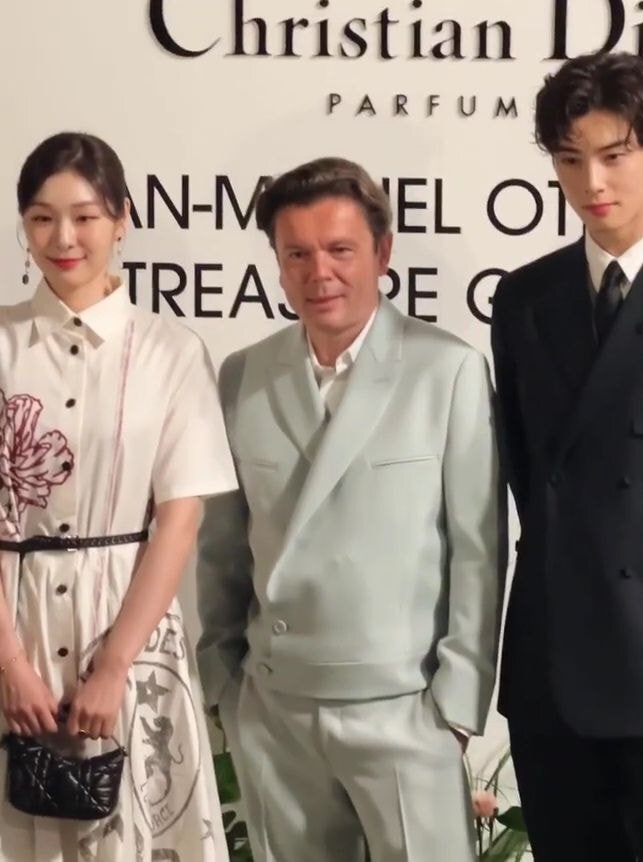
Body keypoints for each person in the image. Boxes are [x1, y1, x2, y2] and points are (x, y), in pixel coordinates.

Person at [196, 156, 504, 862]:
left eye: (340, 250)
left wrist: (456, 710)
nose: (320, 273)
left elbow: (478, 550)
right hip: (276, 708)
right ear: (277, 265)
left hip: (405, 708)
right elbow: (221, 549)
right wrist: (225, 688)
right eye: (297, 255)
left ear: (382, 253)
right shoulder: (244, 374)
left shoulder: (446, 369)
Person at [492, 50, 643, 862]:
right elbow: (528, 477)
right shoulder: (524, 299)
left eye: (615, 155)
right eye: (570, 160)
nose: (593, 182)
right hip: (556, 674)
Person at [0, 131, 236, 861]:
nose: (63, 239)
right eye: (42, 218)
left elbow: (180, 520)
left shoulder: (171, 351)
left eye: (85, 216)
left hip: (126, 631)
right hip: (11, 625)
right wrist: (10, 666)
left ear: (122, 218)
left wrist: (112, 668)